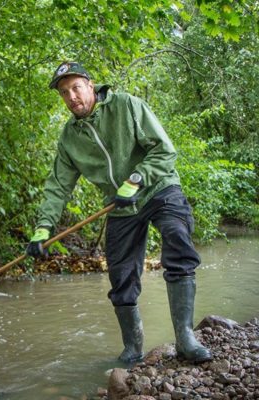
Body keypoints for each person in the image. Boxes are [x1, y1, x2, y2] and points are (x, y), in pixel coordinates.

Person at [26, 61, 212, 366]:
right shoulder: (70, 137)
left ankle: (185, 339)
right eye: (63, 92)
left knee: (177, 240)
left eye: (76, 87)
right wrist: (43, 228)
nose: (71, 96)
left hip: (158, 189)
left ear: (90, 84)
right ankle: (133, 347)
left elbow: (164, 150)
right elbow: (58, 185)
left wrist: (136, 179)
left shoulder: (127, 105)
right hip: (120, 207)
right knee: (121, 275)